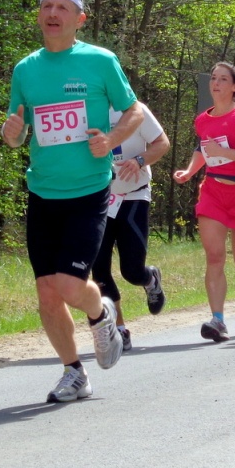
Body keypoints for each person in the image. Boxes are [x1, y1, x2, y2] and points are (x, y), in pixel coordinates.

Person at [1, 0, 144, 402]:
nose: (53, 13)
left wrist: (112, 136)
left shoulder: (100, 62)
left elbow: (134, 109)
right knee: (46, 291)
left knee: (67, 284)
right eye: (47, 5)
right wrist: (11, 133)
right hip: (43, 192)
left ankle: (102, 314)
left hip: (88, 190)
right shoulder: (25, 69)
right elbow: (17, 131)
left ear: (79, 18)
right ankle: (73, 372)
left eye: (63, 7)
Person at [173, 62, 235, 342]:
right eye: (213, 78)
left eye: (223, 79)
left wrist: (225, 151)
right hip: (213, 191)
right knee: (214, 257)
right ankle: (218, 320)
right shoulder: (203, 119)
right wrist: (190, 170)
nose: (216, 83)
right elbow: (201, 148)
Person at [91, 104, 170, 351]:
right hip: (96, 198)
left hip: (133, 194)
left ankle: (150, 279)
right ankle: (120, 330)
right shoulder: (85, 109)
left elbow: (162, 143)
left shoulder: (135, 110)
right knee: (99, 271)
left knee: (132, 271)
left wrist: (139, 160)